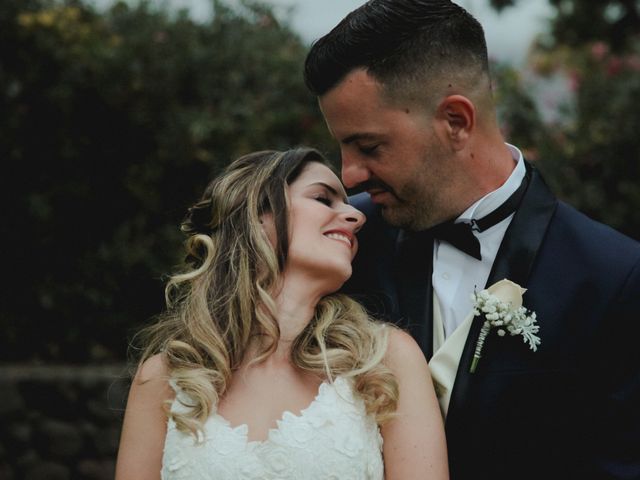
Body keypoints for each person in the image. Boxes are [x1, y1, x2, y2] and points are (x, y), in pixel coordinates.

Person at [303, 1, 640, 479]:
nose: (349, 174)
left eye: (369, 146)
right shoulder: (338, 244)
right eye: (342, 147)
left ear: (456, 122)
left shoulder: (614, 279)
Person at [114, 147, 448, 479]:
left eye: (346, 204)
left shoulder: (384, 359)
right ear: (257, 217)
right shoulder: (164, 378)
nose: (357, 217)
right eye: (322, 198)